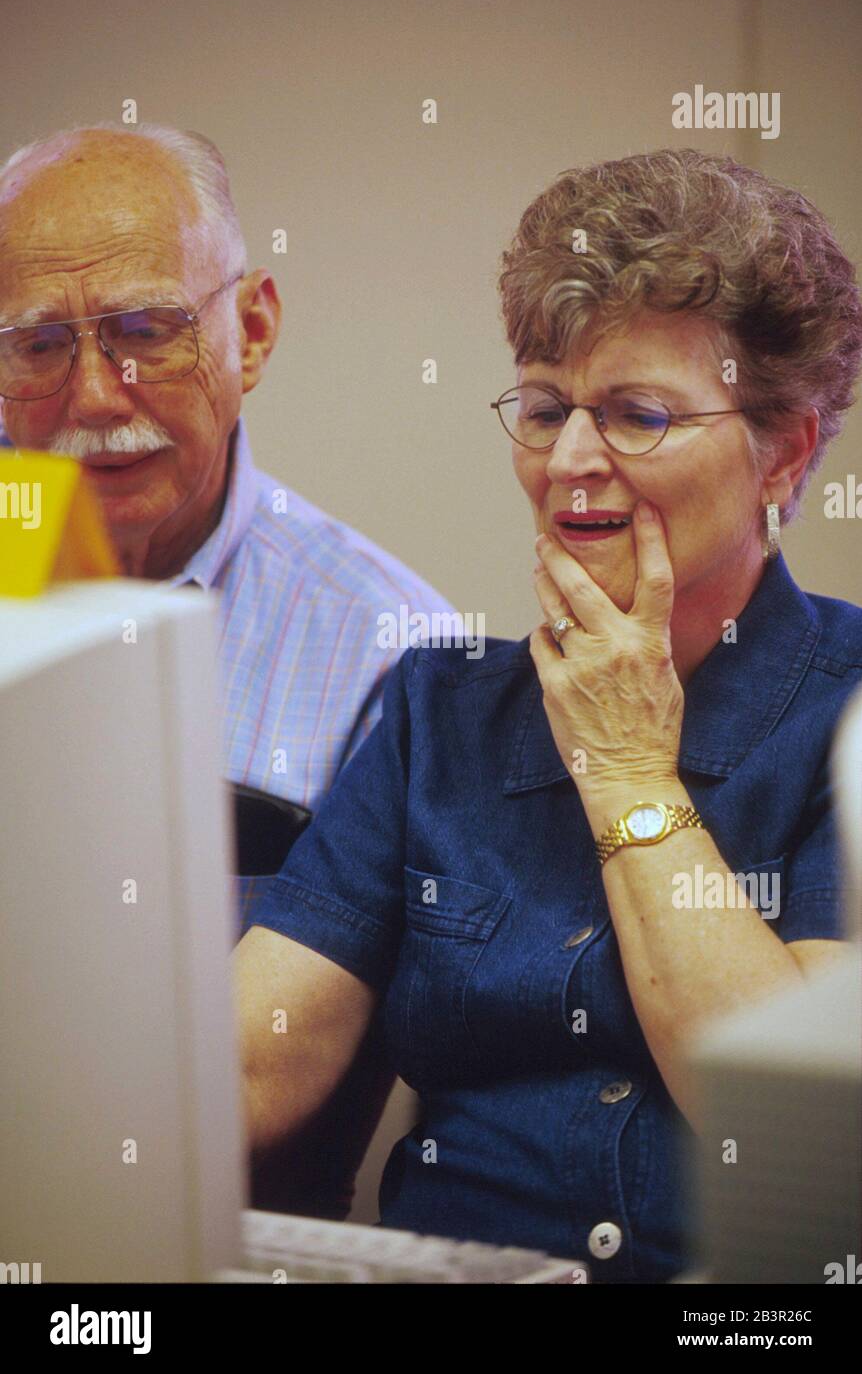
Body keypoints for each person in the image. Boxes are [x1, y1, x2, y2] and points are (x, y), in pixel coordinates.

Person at [234, 148, 862, 1282]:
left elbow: (790, 1142)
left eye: (635, 415)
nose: (571, 462)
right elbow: (247, 1072)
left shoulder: (847, 714)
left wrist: (628, 774)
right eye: (544, 408)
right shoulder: (442, 712)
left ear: (784, 451)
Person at [0, 121, 452, 1217]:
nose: (96, 397)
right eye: (36, 345)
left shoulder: (393, 651)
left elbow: (278, 1076)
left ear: (249, 331)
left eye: (146, 330)